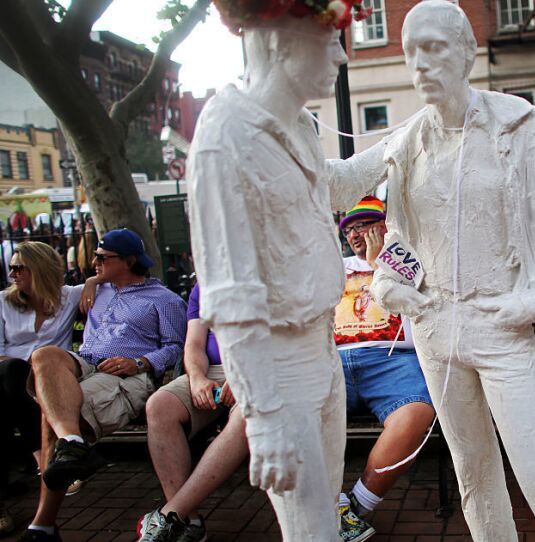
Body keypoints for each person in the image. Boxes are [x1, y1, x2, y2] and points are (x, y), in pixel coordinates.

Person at [330, 3, 535, 539]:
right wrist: (392, 282)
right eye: (411, 53)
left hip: (503, 325)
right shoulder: (408, 140)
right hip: (436, 333)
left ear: (466, 53)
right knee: (474, 475)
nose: (421, 65)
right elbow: (348, 192)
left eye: (434, 48)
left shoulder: (525, 127)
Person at [187, 1, 376, 539]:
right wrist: (263, 416)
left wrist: (399, 147)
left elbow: (331, 186)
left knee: (323, 519)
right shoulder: (225, 137)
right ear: (276, 41)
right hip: (280, 367)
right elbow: (229, 295)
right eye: (328, 39)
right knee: (309, 529)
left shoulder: (297, 124)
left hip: (323, 349)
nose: (340, 55)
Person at [17, 228, 187, 542]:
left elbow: (176, 346)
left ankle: (43, 524)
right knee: (44, 356)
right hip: (85, 361)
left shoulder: (164, 300)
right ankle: (73, 443)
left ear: (130, 261)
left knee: (54, 412)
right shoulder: (98, 288)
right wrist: (95, 281)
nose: (94, 261)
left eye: (103, 258)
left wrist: (140, 362)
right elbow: (38, 290)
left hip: (126, 374)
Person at [334, 196, 435, 541]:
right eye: (350, 228)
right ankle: (328, 506)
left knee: (416, 412)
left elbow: (425, 304)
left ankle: (356, 508)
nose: (356, 234)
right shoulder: (336, 267)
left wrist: (382, 265)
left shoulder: (410, 263)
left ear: (386, 227)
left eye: (364, 224)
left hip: (390, 359)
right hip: (334, 360)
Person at [135, 282, 247, 542]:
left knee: (247, 418)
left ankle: (170, 515)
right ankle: (189, 522)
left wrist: (247, 371)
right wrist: (196, 378)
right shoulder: (205, 285)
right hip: (212, 370)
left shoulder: (268, 274)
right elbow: (194, 344)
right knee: (159, 405)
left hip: (258, 368)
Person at [0, 242, 93, 536]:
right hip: (8, 375)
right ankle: (45, 460)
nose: (12, 274)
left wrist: (91, 281)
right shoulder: (3, 301)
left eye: (19, 268)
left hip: (48, 380)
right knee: (12, 371)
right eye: (11, 267)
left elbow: (103, 278)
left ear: (39, 270)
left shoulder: (69, 297)